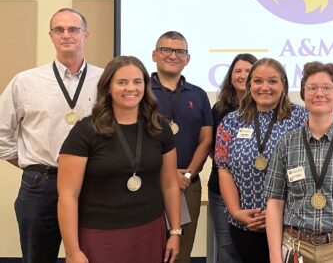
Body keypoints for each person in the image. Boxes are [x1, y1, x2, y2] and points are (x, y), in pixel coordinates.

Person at [0, 8, 103, 263]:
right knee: (37, 257)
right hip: (41, 184)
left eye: (73, 29)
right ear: (51, 36)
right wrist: (30, 163)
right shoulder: (26, 81)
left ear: (86, 35)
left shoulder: (105, 79)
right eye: (59, 29)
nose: (66, 35)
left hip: (92, 183)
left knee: (91, 256)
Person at [57, 56, 182, 263]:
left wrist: (175, 232)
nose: (130, 88)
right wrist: (72, 251)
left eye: (137, 82)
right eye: (122, 82)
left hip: (150, 231)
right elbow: (68, 195)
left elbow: (169, 185)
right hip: (101, 235)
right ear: (108, 87)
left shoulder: (159, 128)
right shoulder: (85, 131)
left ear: (145, 86)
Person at [265, 62, 333, 263]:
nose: (319, 93)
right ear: (303, 94)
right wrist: (275, 256)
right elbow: (275, 202)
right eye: (312, 88)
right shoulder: (286, 144)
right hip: (296, 247)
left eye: (327, 88)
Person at [215, 58, 308, 263]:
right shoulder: (231, 121)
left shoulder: (302, 119)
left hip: (290, 224)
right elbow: (224, 168)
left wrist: (278, 215)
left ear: (283, 85)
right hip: (245, 223)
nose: (265, 87)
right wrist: (236, 212)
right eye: (257, 81)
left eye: (272, 81)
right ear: (249, 86)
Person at [151, 31, 214, 263]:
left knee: (180, 252)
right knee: (148, 249)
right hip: (150, 184)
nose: (173, 55)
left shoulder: (198, 95)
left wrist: (187, 174)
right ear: (154, 55)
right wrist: (166, 175)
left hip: (187, 186)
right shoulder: (140, 91)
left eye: (180, 51)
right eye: (166, 50)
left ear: (188, 59)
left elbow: (206, 140)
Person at [210, 53, 258, 263]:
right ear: (230, 77)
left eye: (248, 71)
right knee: (227, 249)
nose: (242, 75)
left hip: (258, 193)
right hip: (221, 192)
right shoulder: (220, 110)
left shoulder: (269, 109)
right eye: (237, 71)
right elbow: (213, 148)